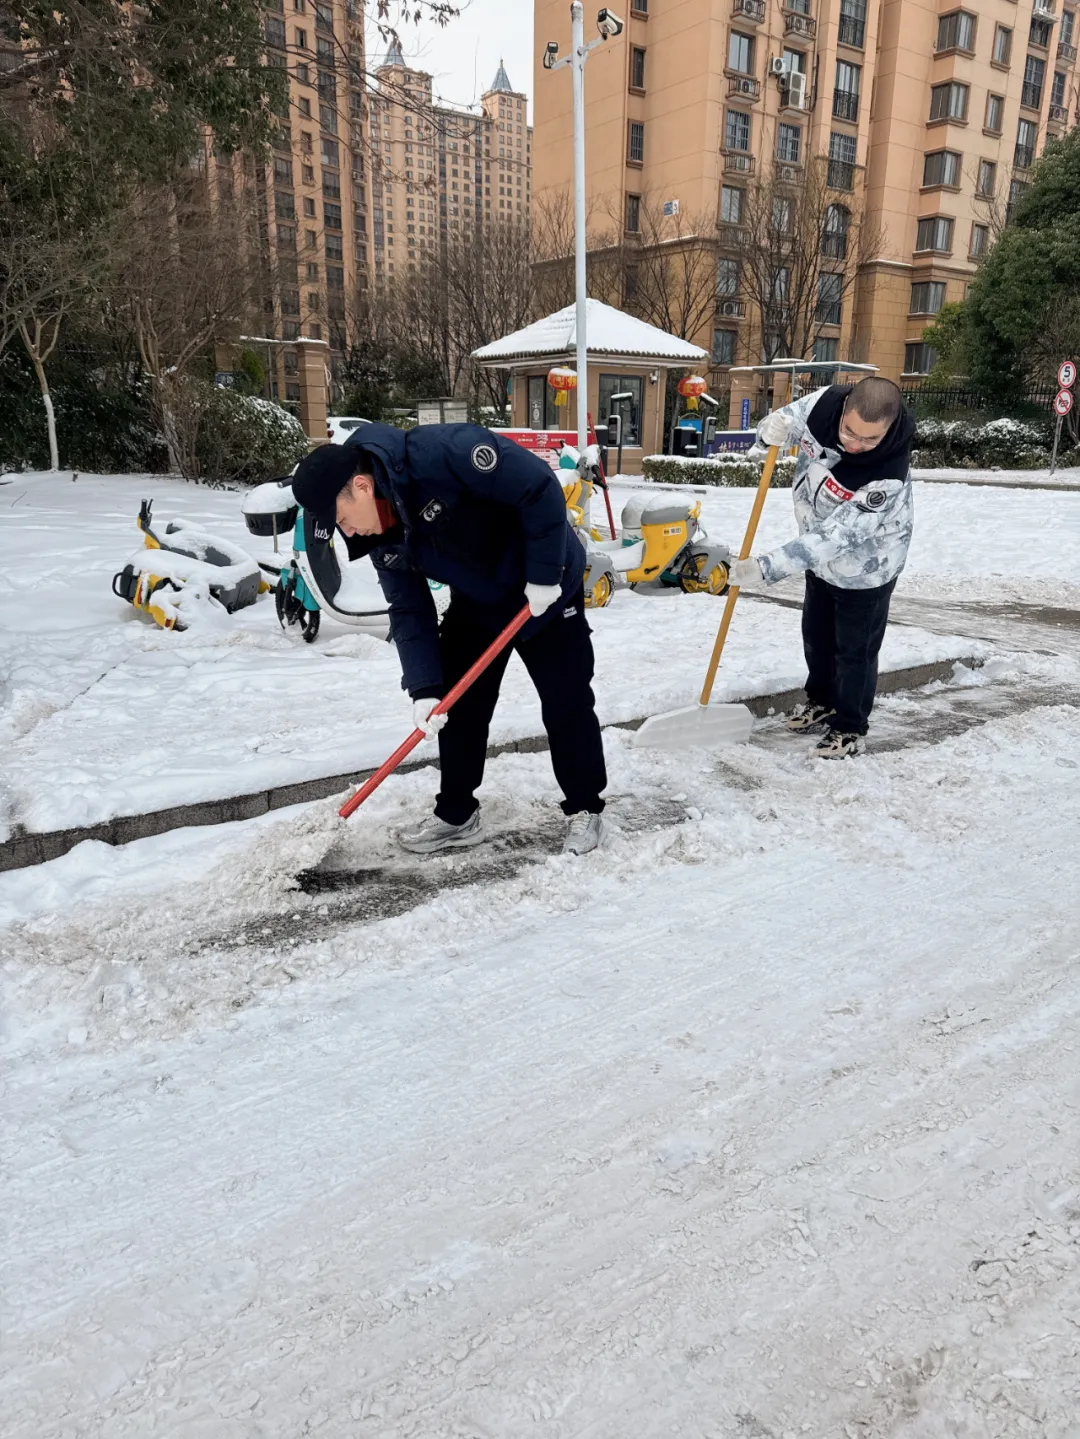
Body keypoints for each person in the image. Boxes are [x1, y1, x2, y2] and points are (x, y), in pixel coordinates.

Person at [291, 422, 607, 853]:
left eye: (342, 519)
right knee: (456, 707)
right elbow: (409, 608)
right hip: (479, 601)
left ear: (361, 487)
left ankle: (586, 808)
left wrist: (545, 574)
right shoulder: (380, 534)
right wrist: (423, 688)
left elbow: (537, 487)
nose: (347, 532)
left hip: (548, 592)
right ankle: (456, 815)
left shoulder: (444, 454)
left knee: (566, 702)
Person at [727, 376, 916, 758]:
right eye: (849, 432)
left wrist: (765, 567)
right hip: (818, 560)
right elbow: (783, 423)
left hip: (866, 571)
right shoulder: (824, 404)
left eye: (869, 439)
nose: (854, 444)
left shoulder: (887, 475)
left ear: (889, 429)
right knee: (817, 637)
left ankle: (850, 727)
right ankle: (823, 701)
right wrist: (769, 431)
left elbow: (836, 538)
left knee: (854, 652)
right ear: (844, 409)